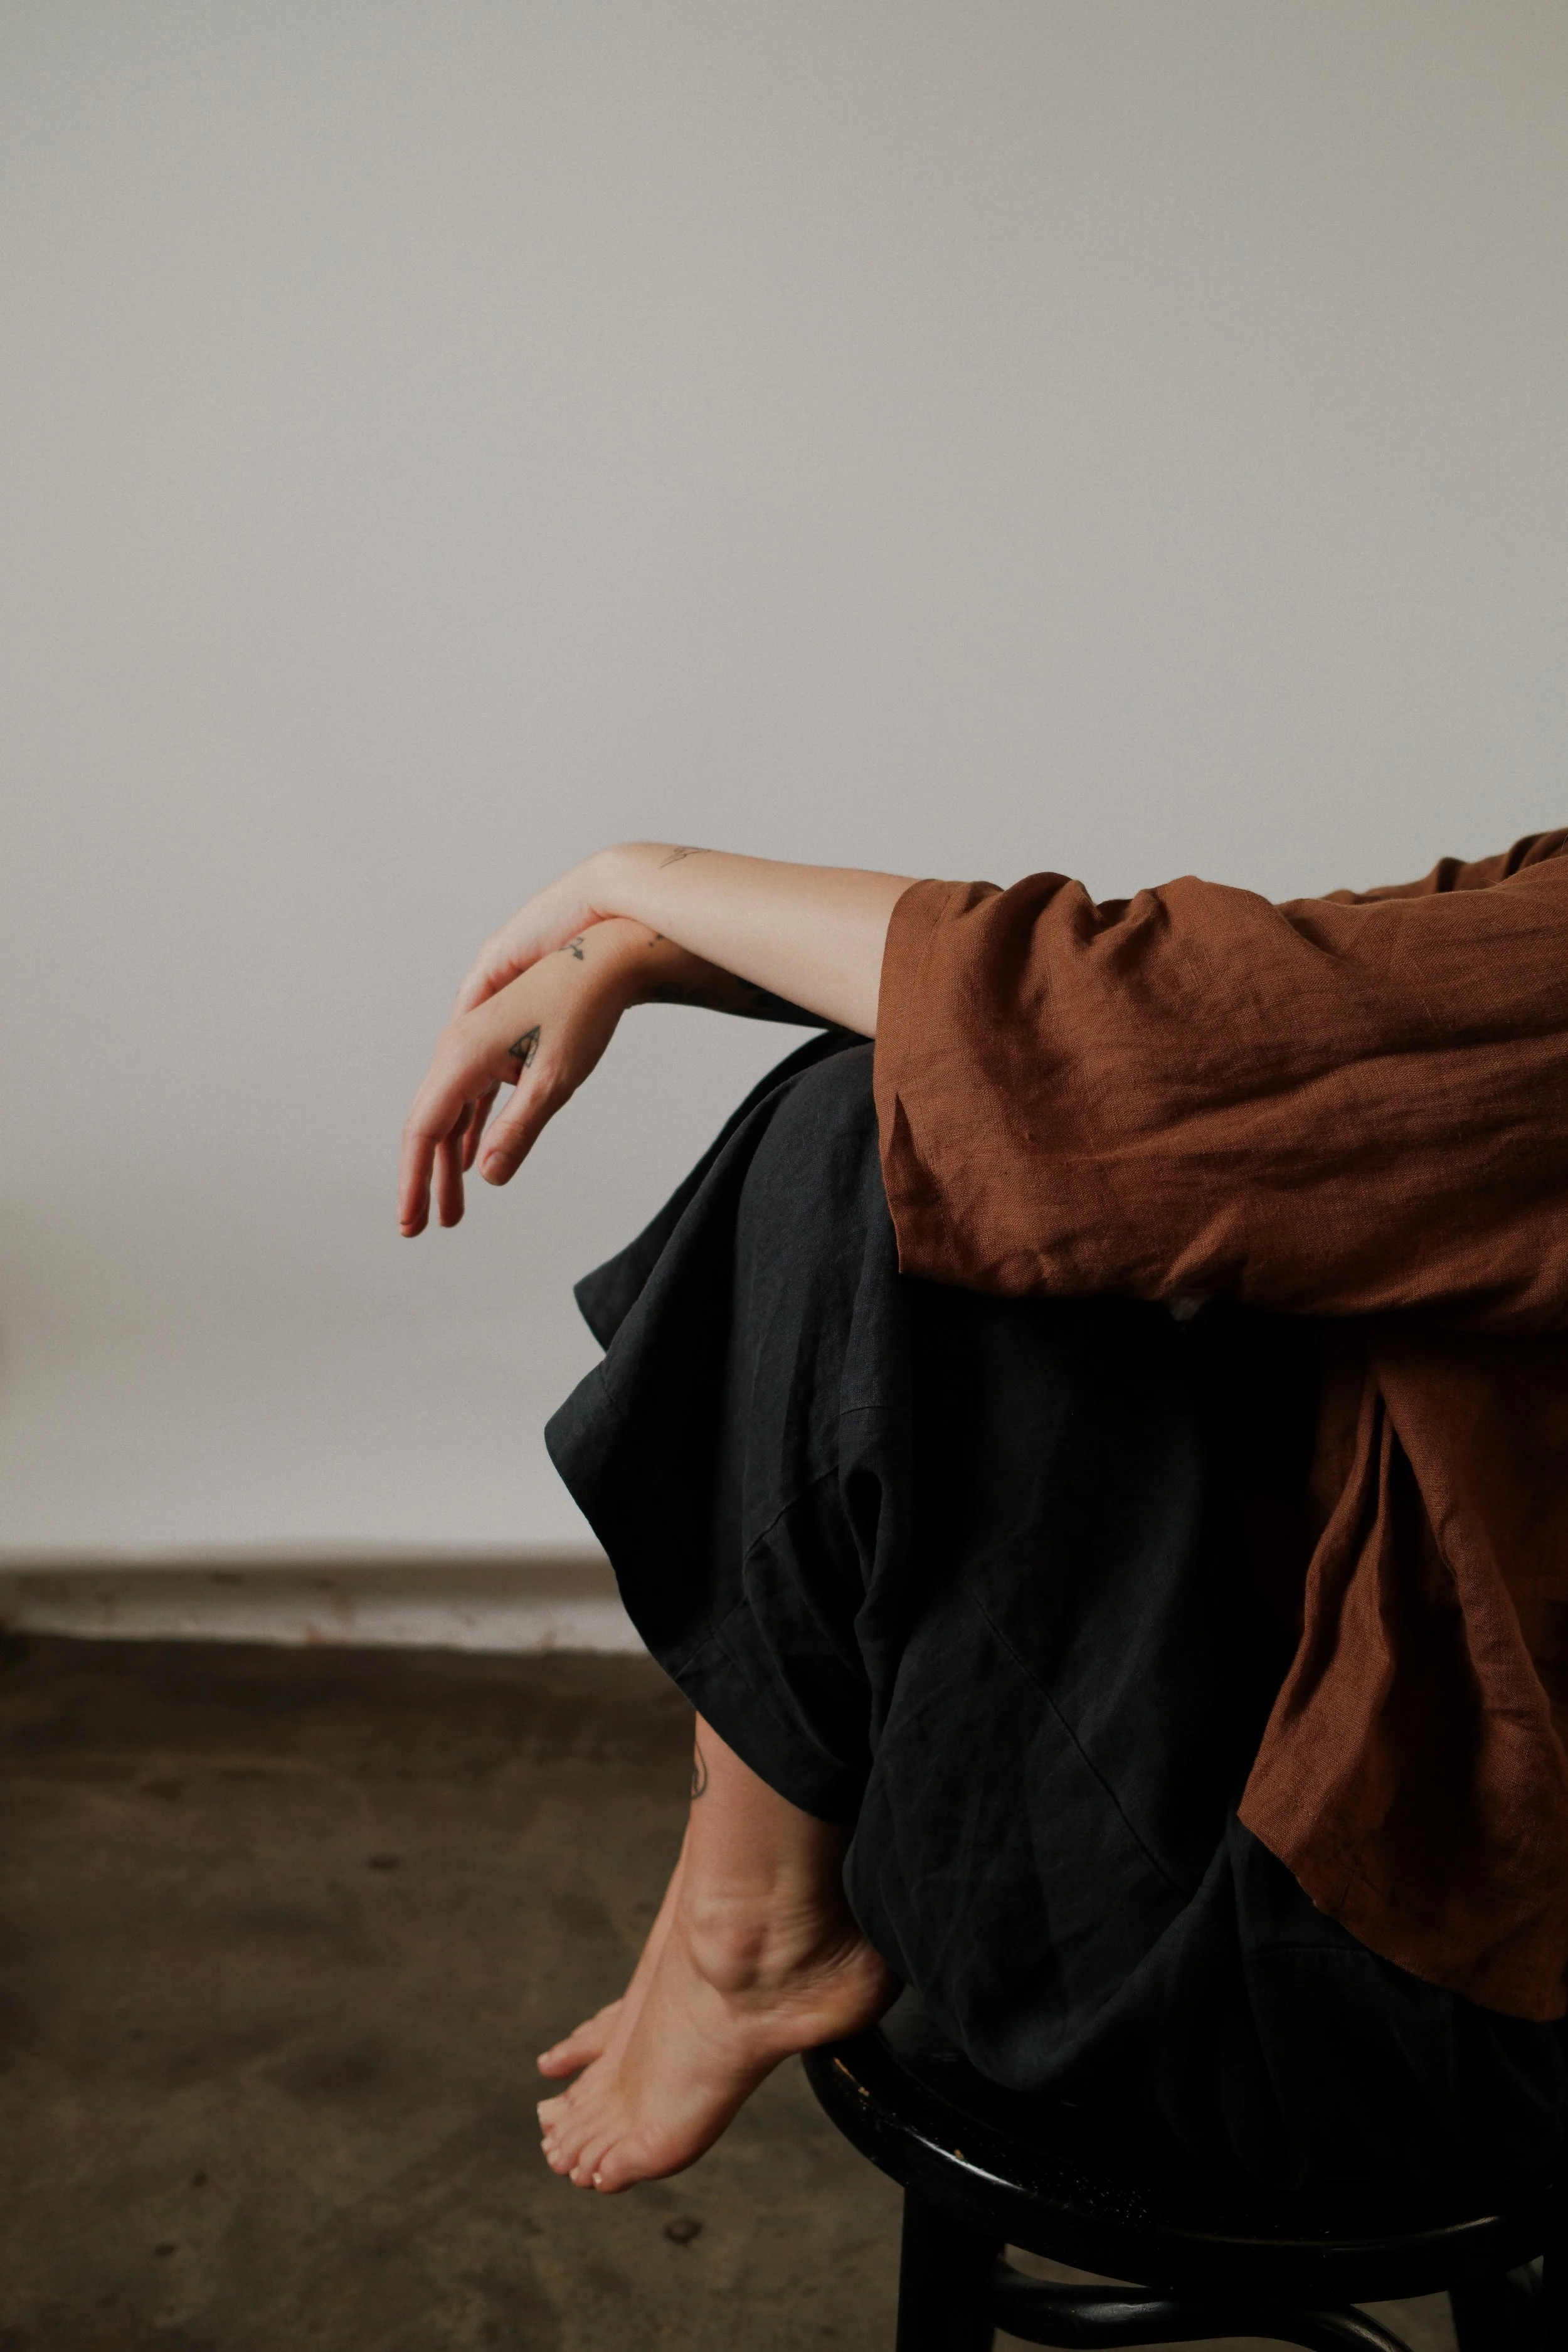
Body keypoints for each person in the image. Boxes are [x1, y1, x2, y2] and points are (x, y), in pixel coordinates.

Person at [399, 837, 1568, 2200]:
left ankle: (752, 1931)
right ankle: (737, 1908)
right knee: (933, 1125)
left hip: (1420, 2014)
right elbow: (1243, 985)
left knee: (876, 1149)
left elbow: (1138, 1034)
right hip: (1429, 1869)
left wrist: (634, 880)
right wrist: (647, 948)